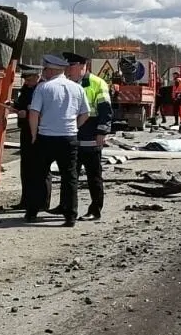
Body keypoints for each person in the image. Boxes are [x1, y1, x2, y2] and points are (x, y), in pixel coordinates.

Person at [25, 54, 90, 226]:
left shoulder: (43, 88)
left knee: (38, 175)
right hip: (69, 138)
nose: (44, 72)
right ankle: (70, 215)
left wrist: (33, 134)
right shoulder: (77, 88)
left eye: (45, 69)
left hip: (46, 137)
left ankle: (32, 212)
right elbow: (85, 113)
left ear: (51, 69)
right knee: (70, 177)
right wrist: (74, 127)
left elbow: (34, 113)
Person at [64, 52, 112, 221]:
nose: (68, 69)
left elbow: (105, 110)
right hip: (72, 135)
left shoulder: (97, 83)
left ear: (83, 66)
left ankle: (95, 210)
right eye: (68, 66)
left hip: (91, 135)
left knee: (93, 176)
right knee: (70, 175)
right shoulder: (68, 83)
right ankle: (68, 207)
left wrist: (101, 132)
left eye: (72, 66)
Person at [9, 65, 48, 212]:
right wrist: (13, 106)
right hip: (26, 130)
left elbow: (46, 110)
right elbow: (21, 104)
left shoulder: (44, 89)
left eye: (29, 79)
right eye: (25, 79)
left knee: (40, 168)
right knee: (26, 167)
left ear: (37, 77)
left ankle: (42, 203)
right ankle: (26, 201)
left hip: (40, 131)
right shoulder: (26, 89)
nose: (26, 82)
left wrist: (28, 113)